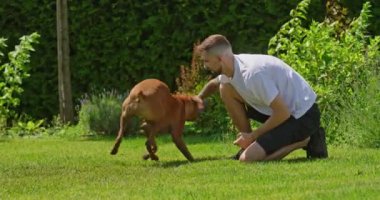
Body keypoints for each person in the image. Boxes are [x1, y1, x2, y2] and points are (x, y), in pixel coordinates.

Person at [194, 34, 328, 162]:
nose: (206, 66)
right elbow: (214, 83)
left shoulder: (252, 74)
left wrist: (254, 135)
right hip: (280, 111)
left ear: (221, 58)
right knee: (225, 87)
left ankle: (306, 140)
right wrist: (198, 99)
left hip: (302, 116)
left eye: (207, 61)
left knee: (247, 159)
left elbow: (283, 113)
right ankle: (247, 145)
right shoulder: (232, 67)